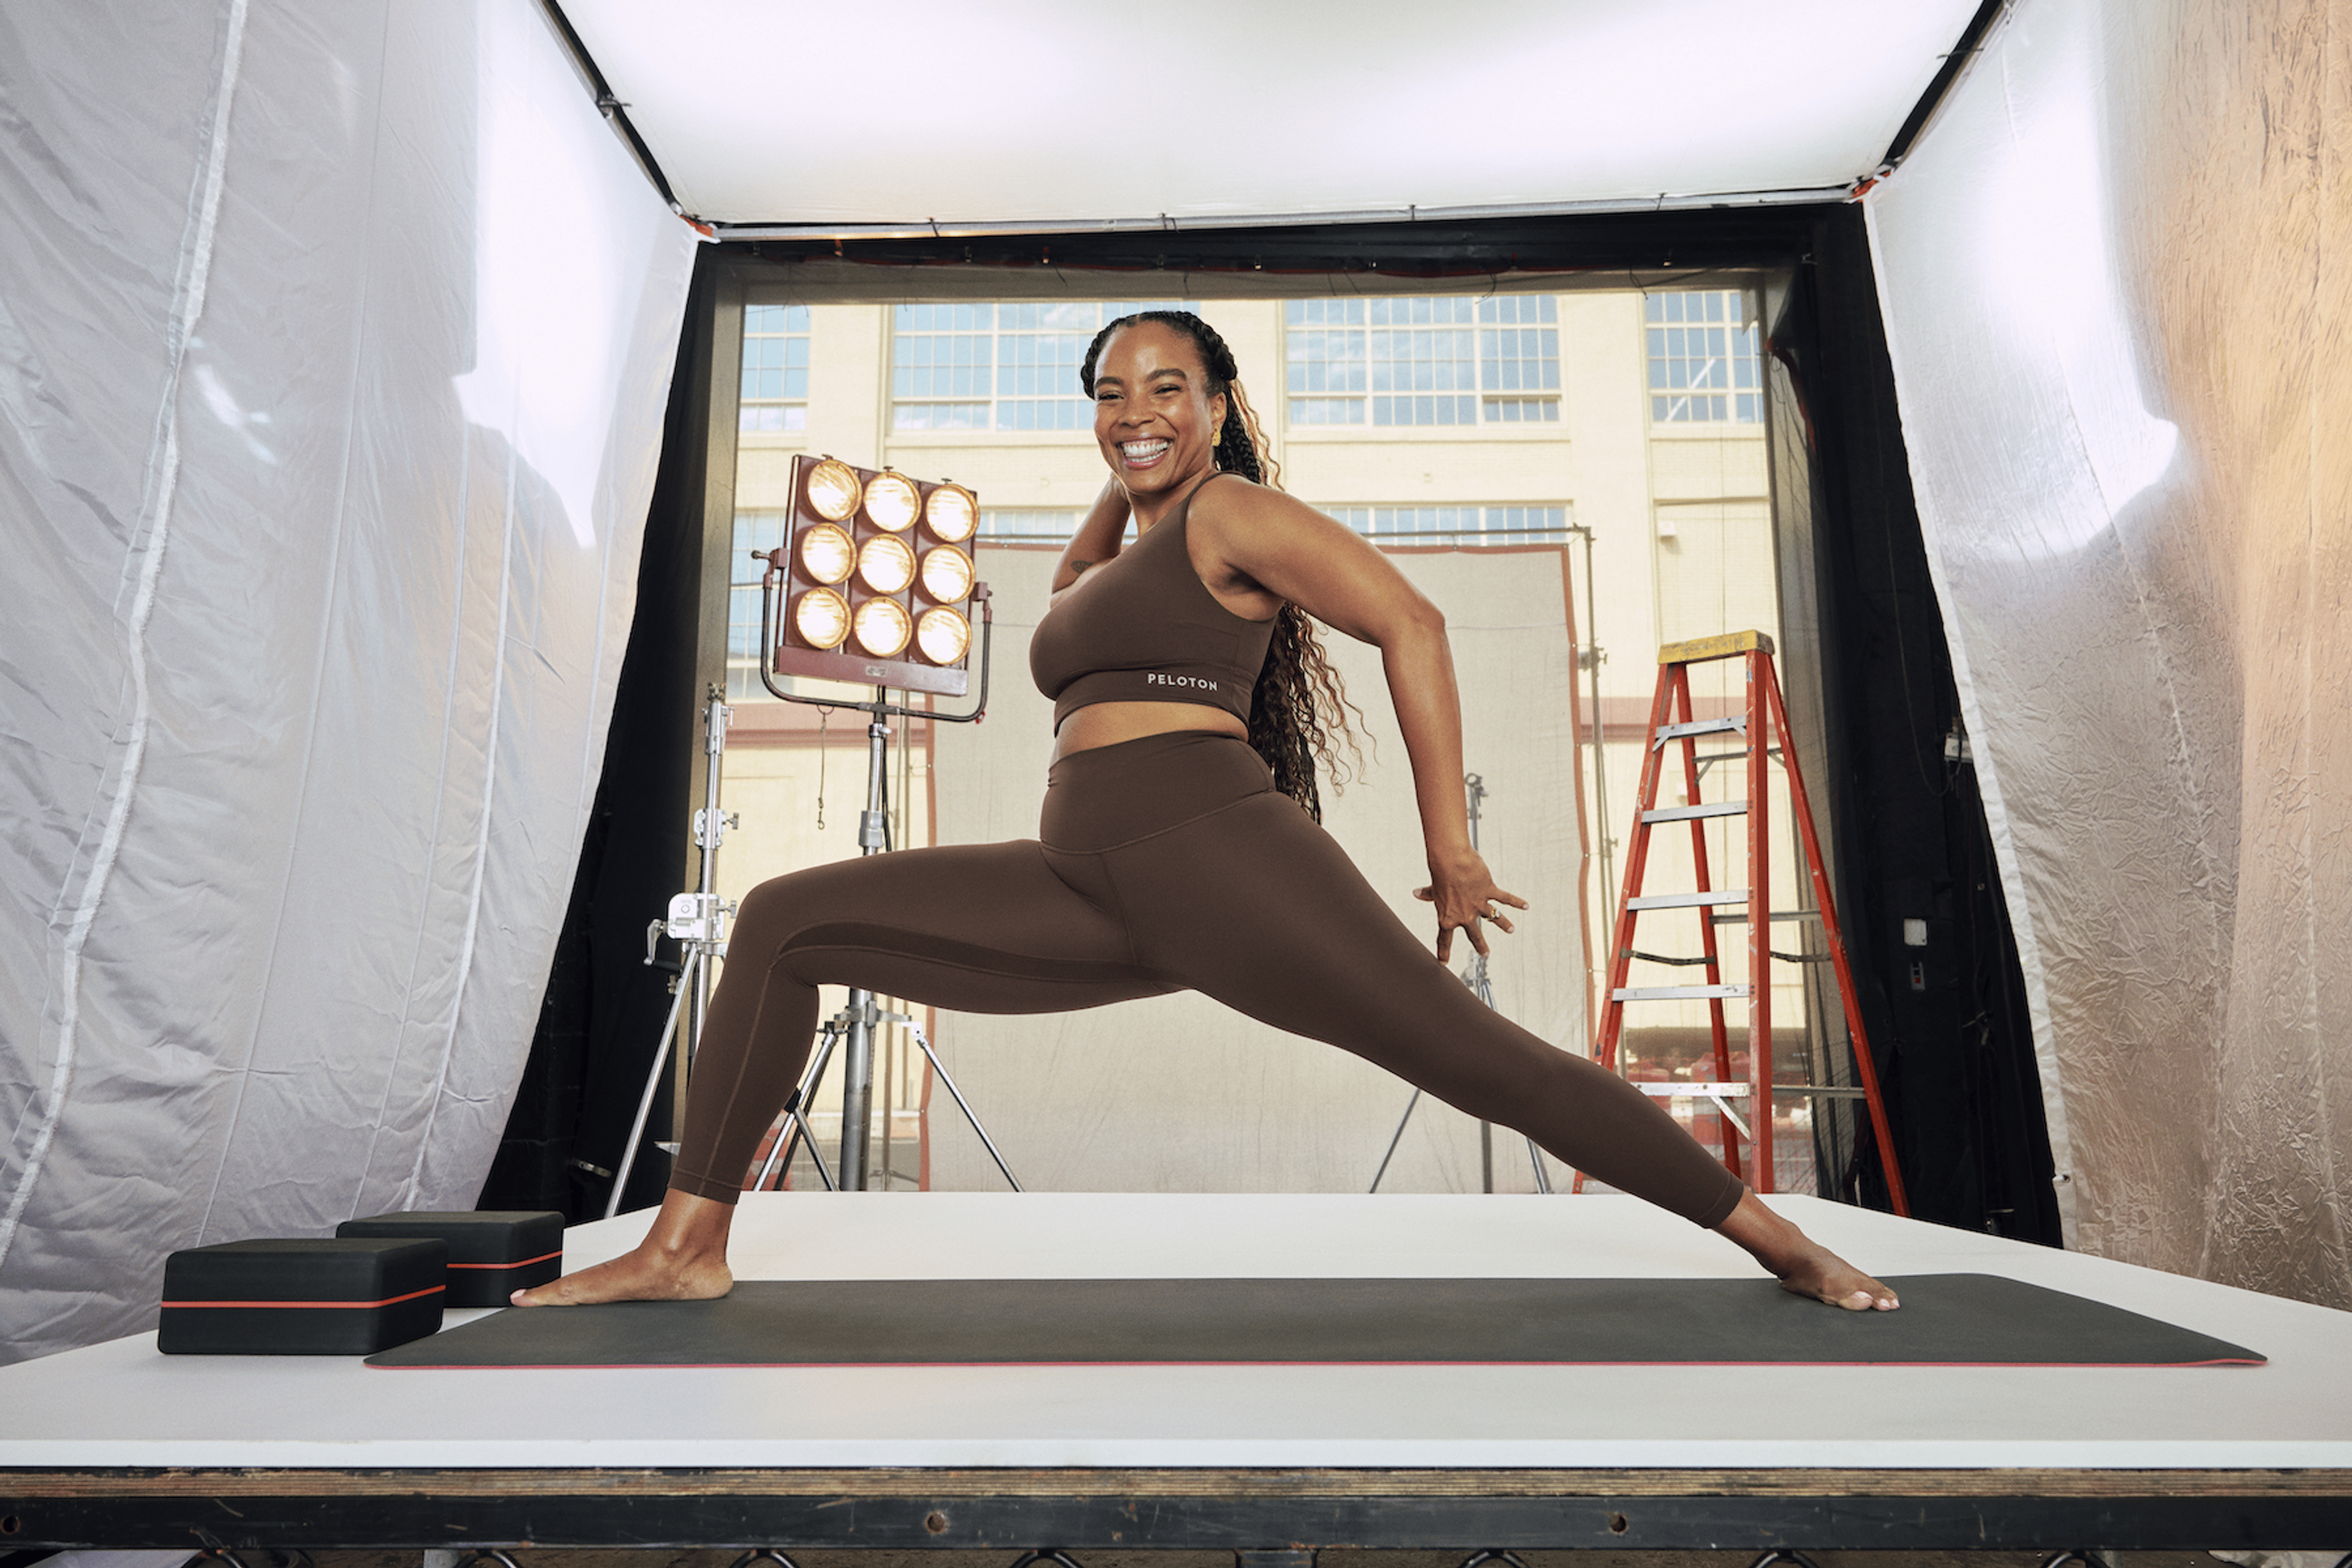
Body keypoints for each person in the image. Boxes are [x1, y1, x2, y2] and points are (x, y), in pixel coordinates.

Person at [518, 310, 1899, 1314]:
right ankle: (688, 1243)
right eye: (1111, 391)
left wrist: (1452, 847)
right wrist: (1126, 464)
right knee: (784, 917)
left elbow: (1409, 622)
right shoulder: (1127, 542)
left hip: (1216, 855)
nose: (1135, 408)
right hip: (1084, 876)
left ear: (1224, 403)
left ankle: (1775, 1236)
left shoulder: (1233, 512)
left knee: (1488, 1064)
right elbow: (1067, 594)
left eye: (1168, 386)